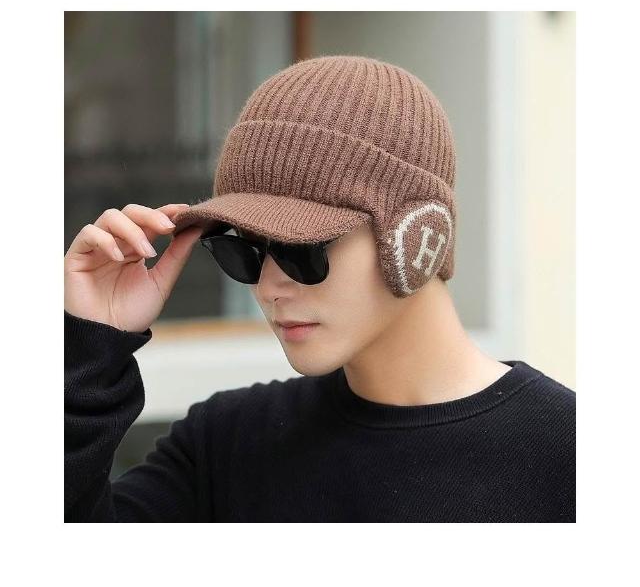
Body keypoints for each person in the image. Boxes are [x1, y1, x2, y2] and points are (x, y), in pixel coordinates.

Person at [64, 54, 575, 522]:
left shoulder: (568, 454)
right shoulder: (228, 443)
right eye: (243, 250)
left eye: (301, 248)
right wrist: (92, 347)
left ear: (416, 234)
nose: (269, 286)